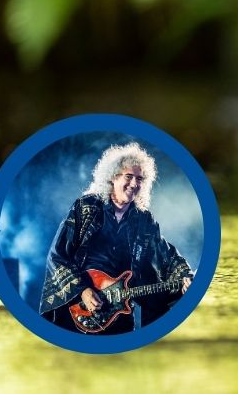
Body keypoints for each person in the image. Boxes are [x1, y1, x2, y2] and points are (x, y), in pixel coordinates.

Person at [39, 142, 193, 334]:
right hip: (77, 309)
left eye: (140, 179)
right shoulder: (86, 207)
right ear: (113, 177)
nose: (135, 184)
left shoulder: (144, 219)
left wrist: (185, 276)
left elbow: (166, 255)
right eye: (129, 177)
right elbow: (57, 255)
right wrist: (83, 291)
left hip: (119, 313)